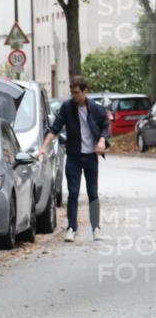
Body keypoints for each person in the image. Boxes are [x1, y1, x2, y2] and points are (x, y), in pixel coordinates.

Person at [38, 75, 110, 242]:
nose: (73, 96)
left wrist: (101, 140)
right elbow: (55, 129)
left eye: (76, 92)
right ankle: (72, 228)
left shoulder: (96, 109)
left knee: (93, 193)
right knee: (73, 192)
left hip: (90, 157)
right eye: (72, 92)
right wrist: (43, 147)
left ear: (85, 91)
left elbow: (105, 126)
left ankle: (96, 228)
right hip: (73, 157)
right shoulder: (67, 107)